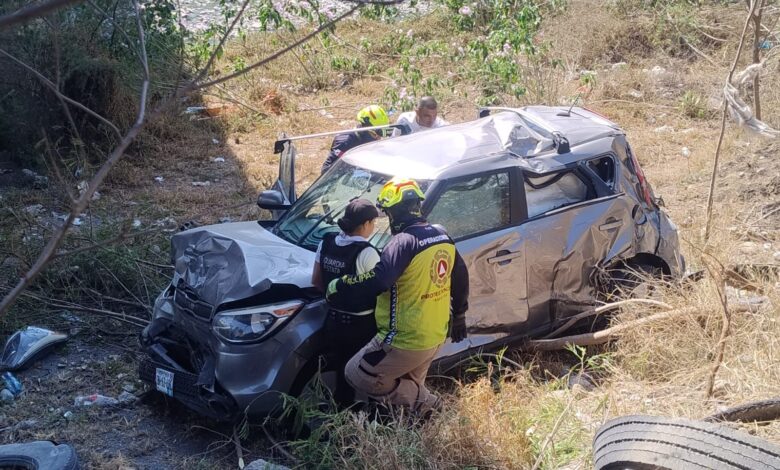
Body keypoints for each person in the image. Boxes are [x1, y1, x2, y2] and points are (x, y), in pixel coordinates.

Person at [326, 177, 469, 416]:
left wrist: (342, 285)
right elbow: (461, 276)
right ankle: (411, 431)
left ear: (393, 212)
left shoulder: (403, 241)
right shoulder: (441, 235)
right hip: (435, 333)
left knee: (356, 373)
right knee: (405, 396)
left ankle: (433, 405)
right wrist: (460, 315)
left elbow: (380, 280)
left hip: (404, 338)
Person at [312, 199, 381, 406]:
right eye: (374, 223)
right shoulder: (367, 253)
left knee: (341, 376)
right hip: (361, 327)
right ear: (366, 223)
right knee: (368, 375)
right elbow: (381, 289)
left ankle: (340, 415)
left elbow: (316, 281)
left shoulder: (326, 241)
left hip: (332, 322)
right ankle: (365, 421)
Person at [320, 105, 390, 175]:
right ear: (365, 128)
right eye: (376, 134)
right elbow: (326, 170)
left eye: (381, 133)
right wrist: (354, 173)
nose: (379, 138)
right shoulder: (345, 141)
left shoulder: (373, 141)